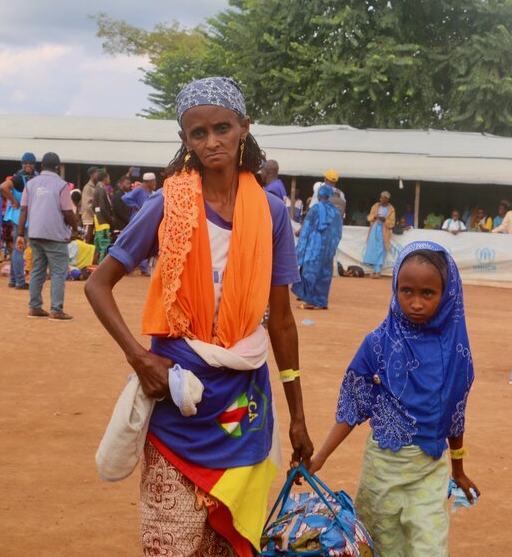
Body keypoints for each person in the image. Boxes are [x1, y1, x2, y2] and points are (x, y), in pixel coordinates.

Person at [84, 76, 312, 555]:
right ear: (185, 140)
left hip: (241, 413)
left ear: (244, 128)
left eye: (222, 128)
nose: (212, 142)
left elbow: (283, 320)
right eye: (198, 133)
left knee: (230, 544)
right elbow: (97, 284)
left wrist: (297, 417)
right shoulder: (168, 203)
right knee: (171, 544)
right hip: (178, 406)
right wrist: (138, 357)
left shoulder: (271, 213)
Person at [310, 242, 478, 557]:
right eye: (406, 291)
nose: (415, 303)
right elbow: (352, 408)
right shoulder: (377, 344)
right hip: (382, 471)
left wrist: (458, 470)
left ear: (447, 294)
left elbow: (455, 417)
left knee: (429, 547)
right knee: (382, 546)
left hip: (430, 470)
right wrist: (320, 458)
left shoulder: (457, 354)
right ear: (394, 289)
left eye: (428, 293)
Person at [16, 152, 79, 321]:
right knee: (58, 272)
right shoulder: (62, 185)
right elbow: (67, 211)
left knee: (37, 270)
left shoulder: (31, 184)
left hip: (35, 234)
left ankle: (34, 307)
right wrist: (75, 228)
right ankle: (56, 310)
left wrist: (21, 234)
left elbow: (23, 209)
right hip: (55, 235)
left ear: (41, 166)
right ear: (58, 167)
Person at [292, 184, 343, 310]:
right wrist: (332, 247)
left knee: (310, 272)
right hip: (328, 249)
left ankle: (310, 301)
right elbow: (338, 231)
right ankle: (321, 301)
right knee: (324, 274)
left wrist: (300, 249)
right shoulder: (336, 211)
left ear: (319, 196)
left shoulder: (315, 209)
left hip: (315, 247)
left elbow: (307, 228)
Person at [1, 152, 38, 290]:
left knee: (17, 249)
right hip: (23, 218)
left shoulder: (22, 177)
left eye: (30, 164)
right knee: (19, 249)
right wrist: (14, 200)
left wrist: (13, 200)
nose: (28, 166)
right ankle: (20, 282)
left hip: (17, 216)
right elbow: (3, 187)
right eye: (26, 163)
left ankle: (13, 279)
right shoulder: (19, 178)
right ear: (23, 164)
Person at [363, 191, 396, 278]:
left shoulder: (391, 209)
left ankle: (378, 272)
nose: (380, 199)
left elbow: (392, 223)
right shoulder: (375, 206)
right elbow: (369, 217)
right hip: (374, 229)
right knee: (373, 249)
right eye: (380, 197)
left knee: (381, 250)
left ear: (387, 199)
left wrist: (384, 220)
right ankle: (375, 271)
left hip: (383, 231)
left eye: (383, 197)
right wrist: (375, 217)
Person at [93, 169, 122, 262]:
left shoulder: (96, 189)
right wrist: (111, 219)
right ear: (105, 179)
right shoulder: (101, 190)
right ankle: (101, 268)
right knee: (104, 247)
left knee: (97, 246)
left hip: (98, 222)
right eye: (108, 178)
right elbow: (102, 208)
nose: (109, 180)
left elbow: (94, 207)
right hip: (103, 222)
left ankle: (94, 268)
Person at [81, 166, 99, 244]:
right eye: (97, 173)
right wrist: (95, 215)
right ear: (92, 175)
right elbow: (87, 205)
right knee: (86, 240)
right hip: (88, 219)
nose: (98, 175)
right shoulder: (87, 188)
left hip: (94, 220)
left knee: (92, 241)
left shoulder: (97, 186)